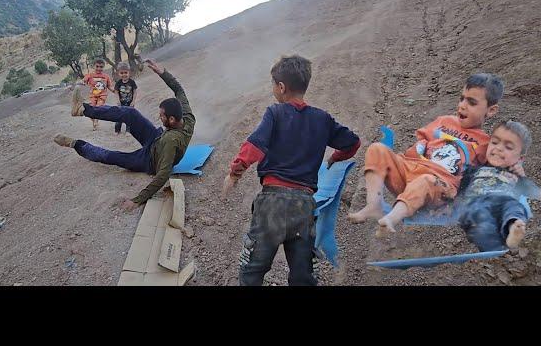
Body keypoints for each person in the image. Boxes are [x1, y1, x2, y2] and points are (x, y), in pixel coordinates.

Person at [222, 55, 360, 286]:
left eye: (273, 85)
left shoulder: (275, 113)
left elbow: (255, 145)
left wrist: (234, 173)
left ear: (281, 87)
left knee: (252, 269)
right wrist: (336, 156)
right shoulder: (322, 119)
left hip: (272, 203)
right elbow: (353, 143)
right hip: (304, 206)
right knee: (303, 275)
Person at [348, 73, 504, 237]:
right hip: (410, 172)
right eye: (461, 99)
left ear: (491, 110)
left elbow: (493, 176)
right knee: (377, 148)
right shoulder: (444, 121)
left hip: (439, 187)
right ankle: (374, 204)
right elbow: (421, 141)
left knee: (425, 180)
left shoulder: (486, 143)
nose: (462, 105)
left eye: (471, 102)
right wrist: (419, 146)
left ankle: (391, 219)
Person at [54, 59, 195, 211]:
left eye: (162, 116)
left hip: (149, 160)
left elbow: (163, 174)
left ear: (172, 119)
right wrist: (163, 73)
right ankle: (82, 109)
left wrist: (138, 200)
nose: (159, 117)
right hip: (155, 138)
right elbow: (179, 91)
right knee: (130, 113)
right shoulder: (187, 117)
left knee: (113, 157)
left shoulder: (171, 141)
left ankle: (76, 144)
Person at [457, 121, 538, 251]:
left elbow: (531, 192)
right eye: (494, 143)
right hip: (477, 202)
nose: (499, 148)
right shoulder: (477, 169)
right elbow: (460, 186)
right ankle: (495, 248)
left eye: (508, 147)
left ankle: (513, 228)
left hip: (503, 201)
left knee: (515, 208)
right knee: (481, 222)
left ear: (520, 159)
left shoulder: (515, 175)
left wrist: (522, 178)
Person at [80, 58, 114, 131]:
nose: (99, 68)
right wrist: (82, 82)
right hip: (93, 95)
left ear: (103, 67)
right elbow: (84, 80)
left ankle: (96, 121)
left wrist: (114, 91)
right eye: (97, 66)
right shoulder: (90, 75)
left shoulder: (106, 76)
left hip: (102, 95)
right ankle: (94, 121)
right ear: (94, 66)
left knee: (98, 107)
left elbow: (109, 86)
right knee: (91, 109)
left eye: (101, 67)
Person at [113, 62, 138, 134]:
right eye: (121, 73)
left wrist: (133, 101)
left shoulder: (132, 82)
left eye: (125, 72)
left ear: (129, 72)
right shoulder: (118, 83)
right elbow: (116, 92)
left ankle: (128, 130)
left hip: (130, 103)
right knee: (119, 116)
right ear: (118, 73)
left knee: (129, 116)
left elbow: (135, 91)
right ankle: (117, 130)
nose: (124, 74)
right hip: (121, 103)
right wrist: (118, 101)